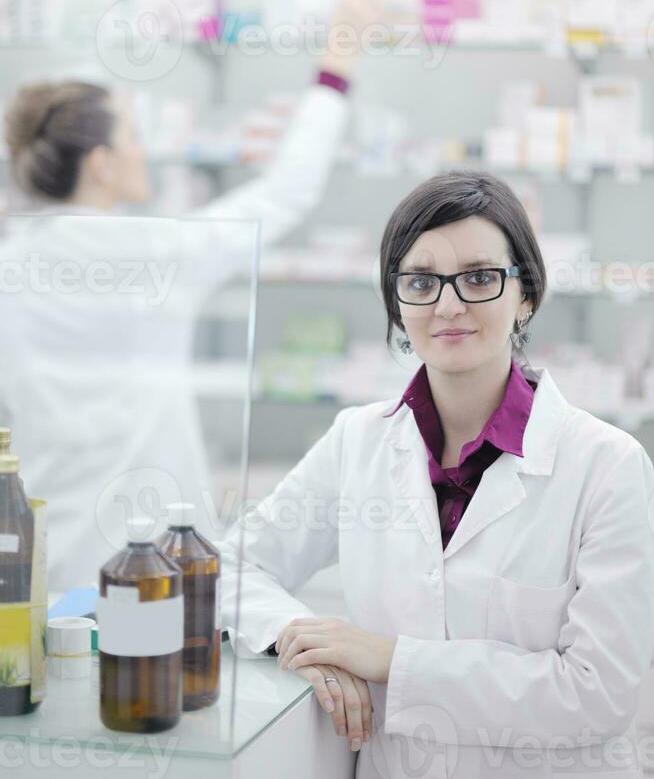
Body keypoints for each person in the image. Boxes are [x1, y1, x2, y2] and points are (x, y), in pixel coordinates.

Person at [215, 170, 654, 778]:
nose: (449, 305)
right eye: (421, 281)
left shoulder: (607, 466)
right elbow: (228, 569)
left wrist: (392, 661)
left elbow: (598, 695)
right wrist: (301, 638)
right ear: (397, 302)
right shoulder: (358, 440)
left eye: (479, 277)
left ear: (526, 293)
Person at [0, 0, 384, 591]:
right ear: (100, 163)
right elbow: (285, 193)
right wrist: (334, 71)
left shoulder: (9, 264)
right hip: (149, 553)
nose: (141, 148)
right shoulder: (154, 254)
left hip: (39, 553)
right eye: (130, 134)